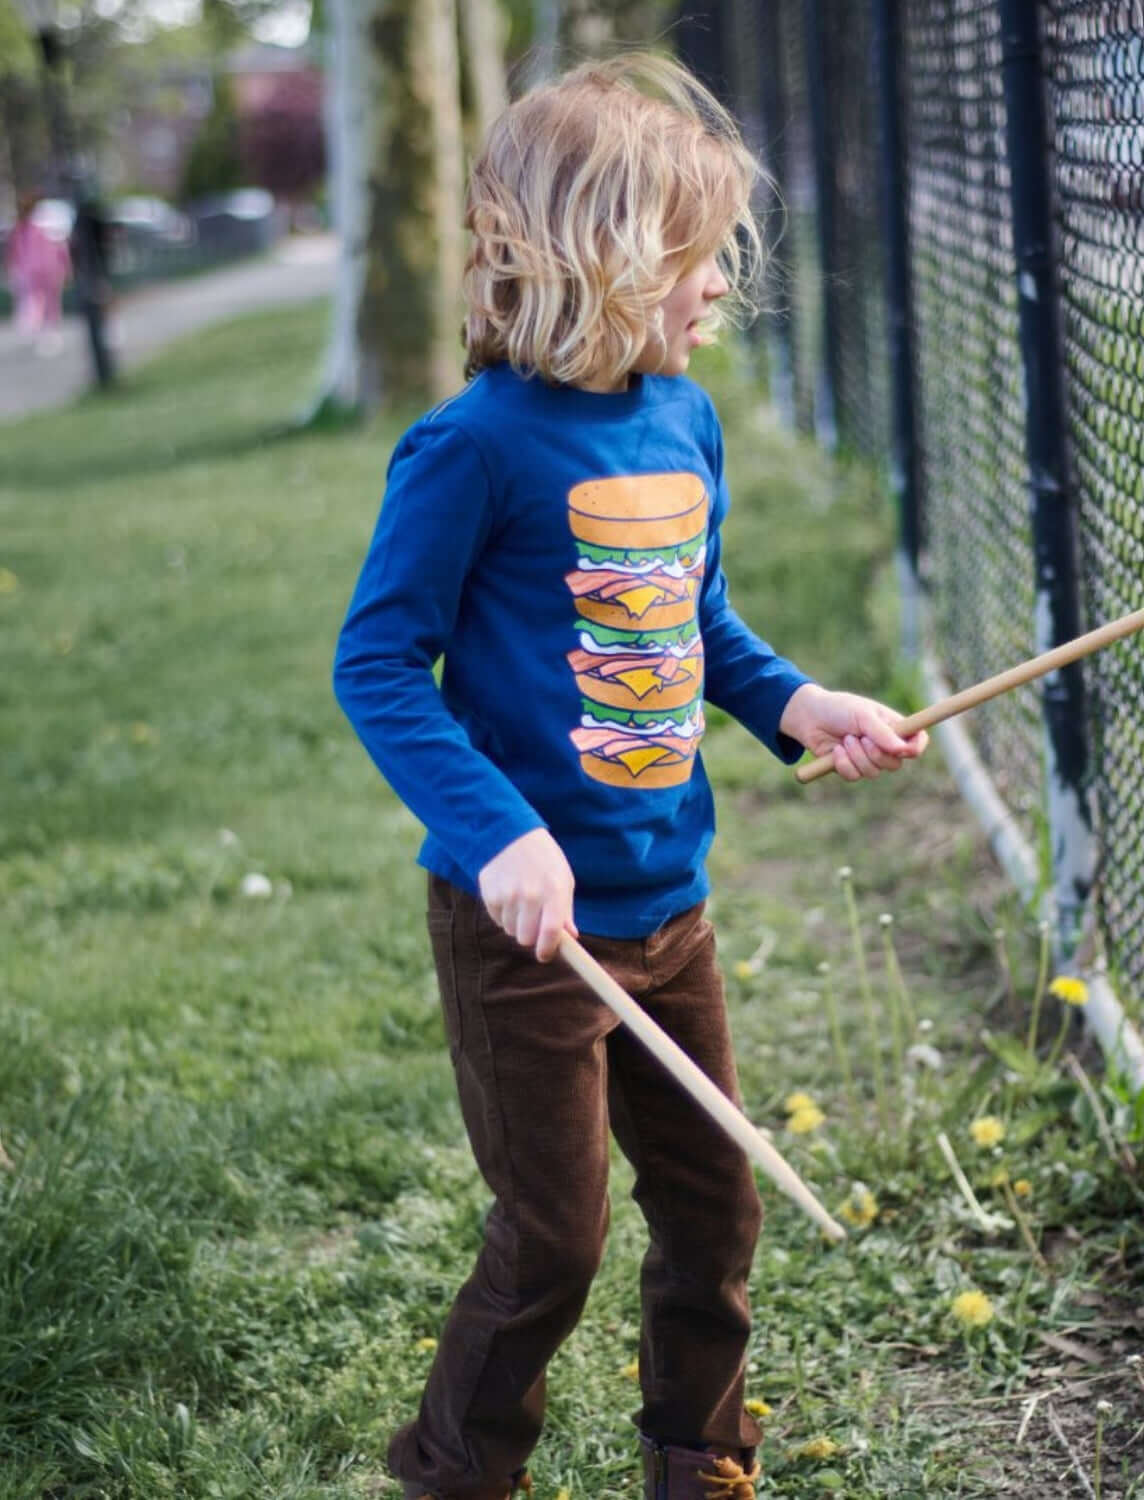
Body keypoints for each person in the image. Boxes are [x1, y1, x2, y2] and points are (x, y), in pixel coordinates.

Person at [333, 52, 928, 1500]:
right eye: (697, 254)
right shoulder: (469, 450)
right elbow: (375, 665)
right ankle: (454, 1472)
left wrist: (800, 706)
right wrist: (497, 835)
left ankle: (697, 1460)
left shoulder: (686, 422)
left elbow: (695, 624)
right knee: (556, 1237)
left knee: (717, 1202)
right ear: (601, 260)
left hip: (669, 907)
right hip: (532, 935)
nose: (725, 280)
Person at [4, 193, 71, 354]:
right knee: (39, 302)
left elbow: (59, 249)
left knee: (47, 303)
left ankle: (47, 333)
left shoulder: (39, 227)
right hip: (35, 273)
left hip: (45, 271)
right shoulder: (22, 230)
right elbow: (15, 254)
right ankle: (42, 331)